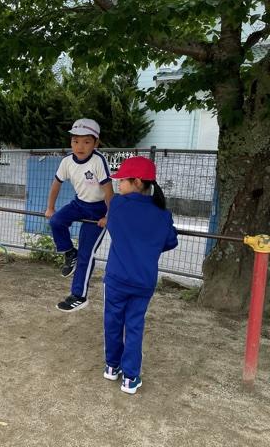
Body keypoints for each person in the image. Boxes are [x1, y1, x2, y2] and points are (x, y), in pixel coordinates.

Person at [102, 156, 178, 394]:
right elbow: (170, 241)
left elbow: (113, 226)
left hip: (116, 278)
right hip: (144, 280)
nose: (119, 185)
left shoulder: (118, 204)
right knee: (134, 326)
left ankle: (111, 366)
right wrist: (148, 246)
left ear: (136, 182)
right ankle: (130, 378)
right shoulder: (163, 214)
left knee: (112, 321)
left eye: (122, 180)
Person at [44, 118, 114, 312]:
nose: (80, 146)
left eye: (86, 142)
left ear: (96, 143)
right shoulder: (67, 161)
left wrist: (109, 216)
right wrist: (50, 207)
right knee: (56, 221)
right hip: (79, 204)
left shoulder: (98, 160)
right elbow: (56, 184)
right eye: (75, 141)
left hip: (98, 209)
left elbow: (109, 191)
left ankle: (79, 296)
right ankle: (69, 252)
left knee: (86, 253)